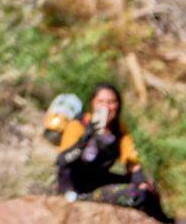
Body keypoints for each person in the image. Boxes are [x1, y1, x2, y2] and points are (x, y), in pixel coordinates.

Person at [56, 83, 174, 222]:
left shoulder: (118, 129)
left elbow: (132, 162)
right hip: (76, 188)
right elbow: (62, 161)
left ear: (118, 105)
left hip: (99, 180)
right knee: (135, 194)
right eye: (101, 102)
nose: (106, 106)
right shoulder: (79, 125)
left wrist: (141, 181)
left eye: (111, 102)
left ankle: (165, 220)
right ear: (93, 103)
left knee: (148, 188)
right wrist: (85, 140)